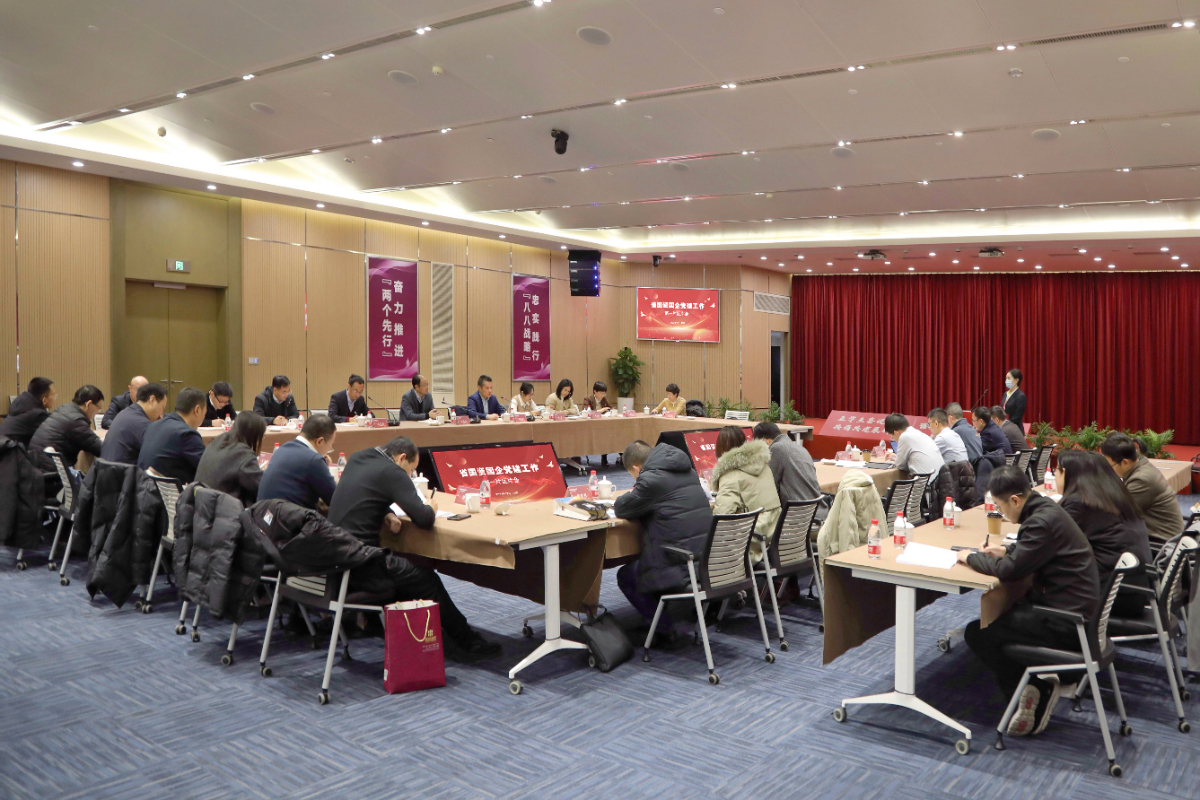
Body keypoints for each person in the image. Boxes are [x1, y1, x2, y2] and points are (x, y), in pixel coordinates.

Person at [958, 466, 1100, 737]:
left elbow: (1009, 571)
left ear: (1015, 500)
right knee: (1004, 616)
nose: (1001, 513)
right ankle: (1033, 684)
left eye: (1000, 506)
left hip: (1067, 623)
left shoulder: (1039, 521)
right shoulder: (1047, 509)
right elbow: (1037, 549)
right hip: (1077, 610)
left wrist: (970, 557)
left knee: (979, 633)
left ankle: (1034, 689)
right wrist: (1008, 550)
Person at [327, 436, 500, 656]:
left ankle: (377, 622)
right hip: (363, 562)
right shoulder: (393, 472)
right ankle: (468, 642)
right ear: (401, 458)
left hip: (336, 555)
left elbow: (362, 493)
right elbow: (424, 519)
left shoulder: (359, 457)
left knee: (405, 575)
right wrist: (430, 507)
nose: (410, 475)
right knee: (427, 580)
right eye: (411, 470)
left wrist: (387, 512)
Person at [612, 440, 712, 642]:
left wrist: (632, 492)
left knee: (627, 574)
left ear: (637, 468)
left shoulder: (651, 480)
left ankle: (665, 628)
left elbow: (622, 508)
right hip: (707, 561)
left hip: (682, 563)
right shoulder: (689, 472)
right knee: (649, 558)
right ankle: (663, 613)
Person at [1054, 451, 1152, 617]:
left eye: (1056, 470)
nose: (1054, 475)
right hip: (1130, 588)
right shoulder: (1103, 496)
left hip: (1114, 596)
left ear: (1067, 473)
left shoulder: (1079, 503)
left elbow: (1051, 541)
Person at [1101, 432, 1184, 546]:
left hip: (1162, 543)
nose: (1107, 470)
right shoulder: (1141, 466)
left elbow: (1116, 513)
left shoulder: (1141, 480)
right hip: (1155, 536)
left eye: (1109, 466)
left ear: (1125, 462)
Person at [711, 425, 781, 561]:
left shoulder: (730, 476)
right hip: (773, 534)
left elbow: (721, 519)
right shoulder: (764, 466)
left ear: (720, 448)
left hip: (750, 542)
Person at [31, 385, 105, 497]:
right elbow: (101, 449)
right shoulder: (76, 421)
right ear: (88, 404)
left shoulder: (64, 409)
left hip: (37, 471)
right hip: (52, 479)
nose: (98, 413)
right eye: (99, 407)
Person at [257, 415, 338, 510]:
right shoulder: (314, 460)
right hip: (286, 518)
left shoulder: (283, 449)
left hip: (262, 514)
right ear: (319, 441)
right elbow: (335, 499)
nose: (328, 451)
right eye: (330, 446)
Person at [138, 387, 207, 484]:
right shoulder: (187, 434)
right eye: (204, 413)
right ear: (197, 410)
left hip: (144, 487)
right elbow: (208, 469)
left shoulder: (153, 425)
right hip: (171, 491)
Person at [195, 413, 266, 506]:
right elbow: (262, 486)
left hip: (200, 505)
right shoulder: (242, 453)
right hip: (221, 510)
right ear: (255, 434)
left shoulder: (218, 441)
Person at [752, 421, 821, 505]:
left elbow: (769, 485)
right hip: (815, 507)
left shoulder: (777, 448)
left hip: (795, 509)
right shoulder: (800, 448)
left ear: (765, 442)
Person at [101, 382, 167, 465]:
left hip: (107, 469)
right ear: (152, 400)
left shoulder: (125, 413)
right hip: (122, 471)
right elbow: (158, 456)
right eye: (162, 408)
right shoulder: (142, 424)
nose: (161, 414)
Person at [884, 413, 944, 478]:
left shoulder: (904, 436)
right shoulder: (917, 432)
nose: (893, 439)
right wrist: (896, 458)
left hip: (926, 481)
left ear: (896, 432)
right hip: (939, 478)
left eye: (892, 437)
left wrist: (896, 459)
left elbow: (900, 465)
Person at [0, 376, 56, 447]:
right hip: (13, 451)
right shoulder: (38, 415)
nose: (55, 398)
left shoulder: (22, 405)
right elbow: (53, 436)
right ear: (44, 400)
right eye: (54, 395)